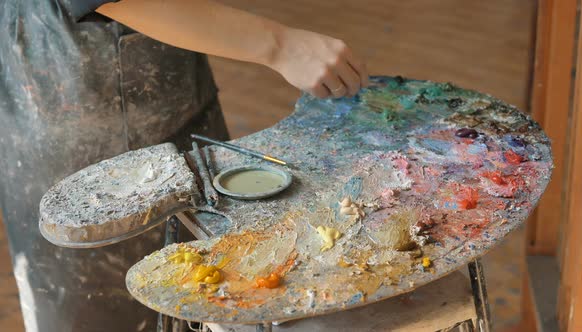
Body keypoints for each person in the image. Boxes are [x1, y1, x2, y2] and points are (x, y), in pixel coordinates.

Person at [0, 0, 368, 331]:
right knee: (111, 306)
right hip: (80, 116)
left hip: (175, 94)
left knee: (207, 287)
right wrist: (280, 45)